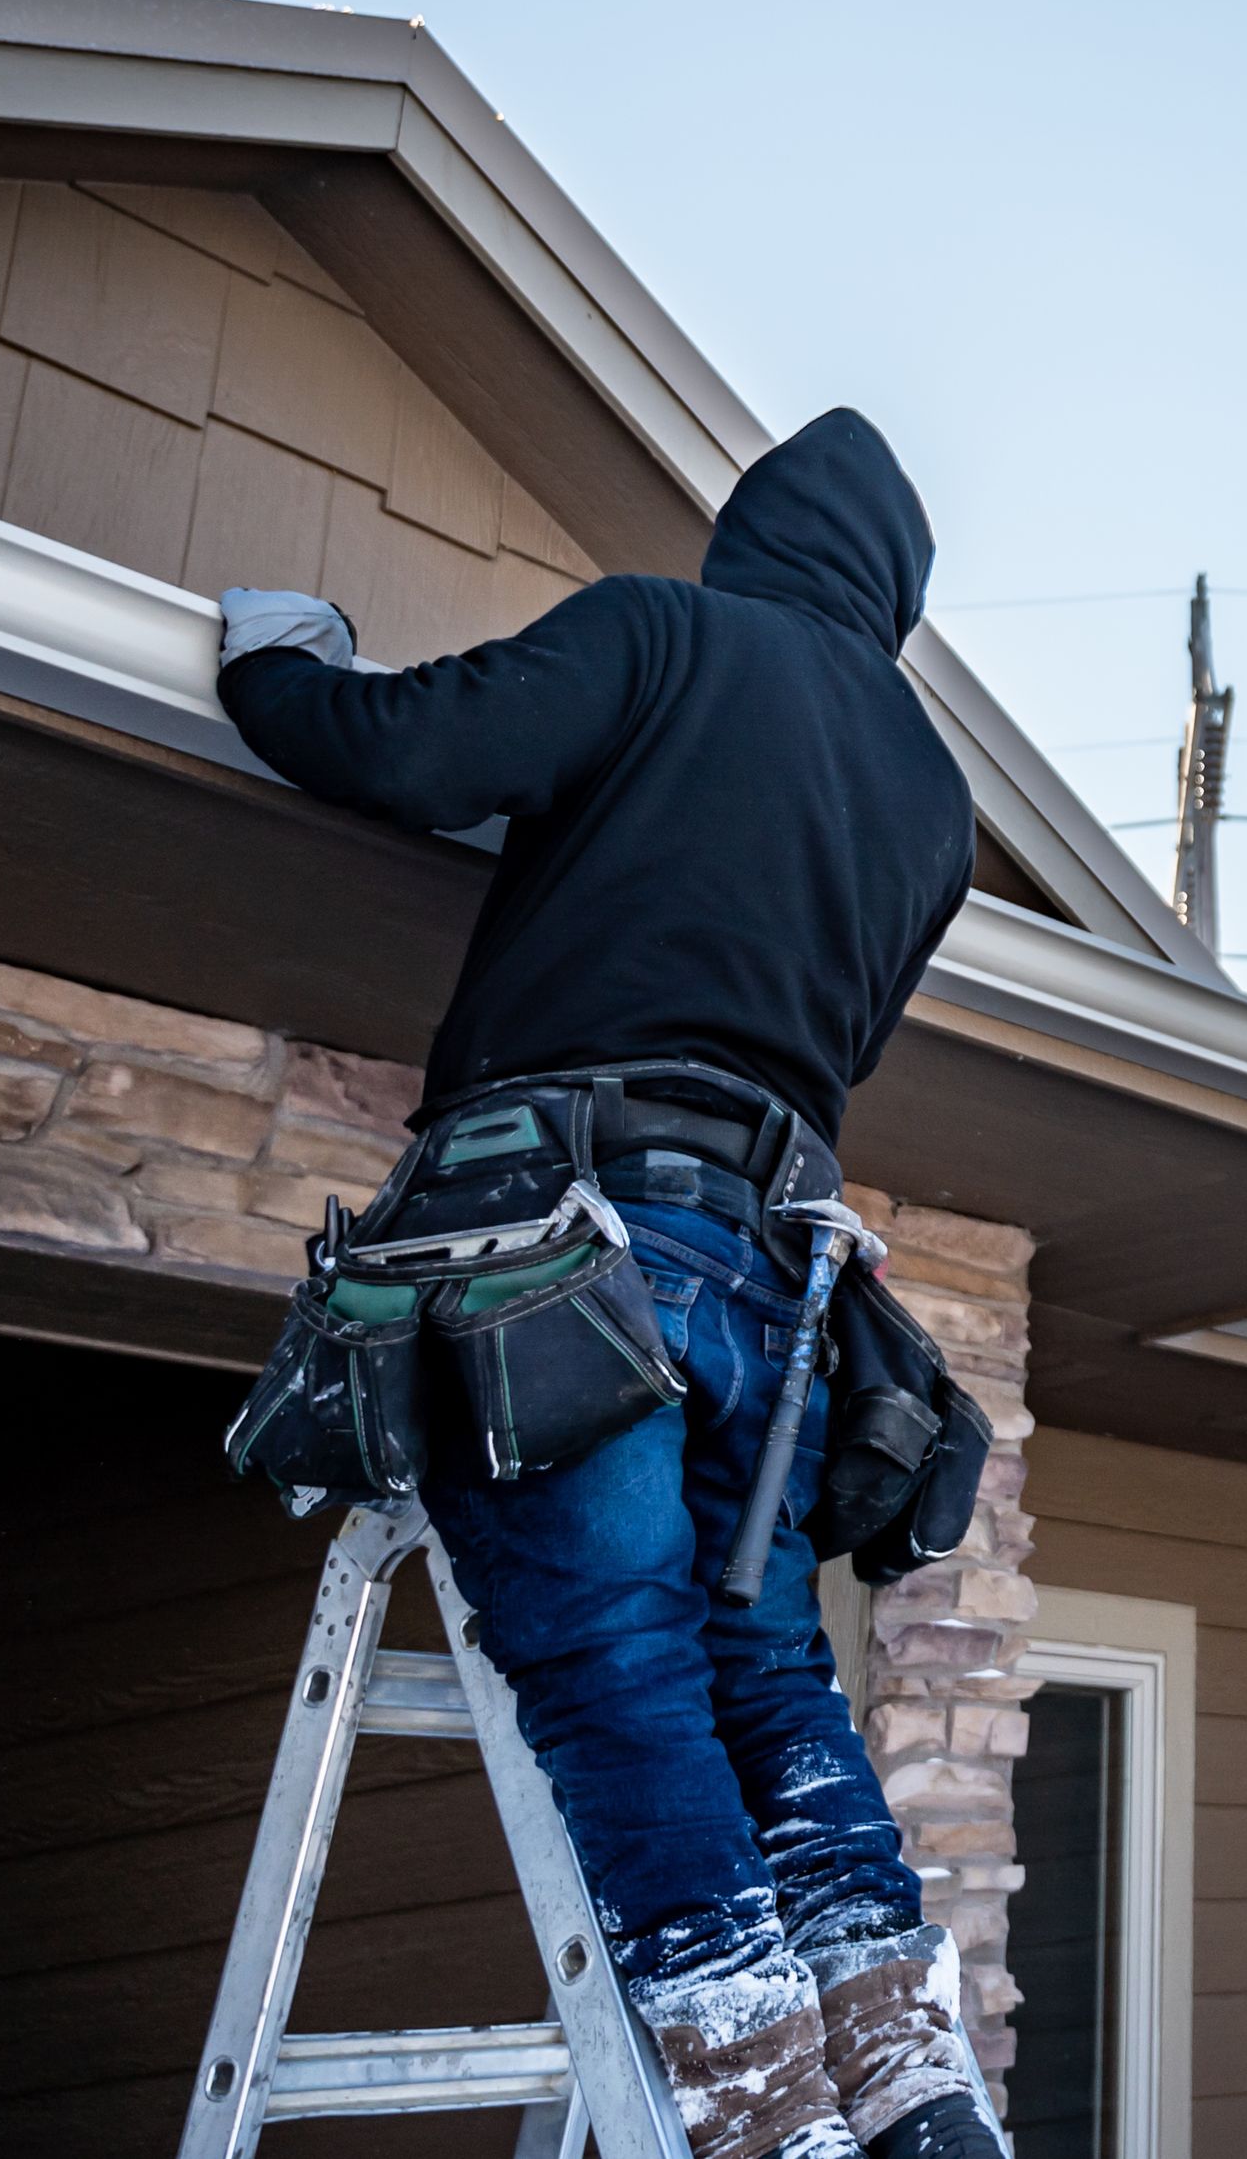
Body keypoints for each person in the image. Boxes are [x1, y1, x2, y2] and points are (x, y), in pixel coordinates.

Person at [217, 409, 984, 2159]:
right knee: (763, 1667)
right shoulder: (931, 798)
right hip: (774, 1276)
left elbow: (408, 752)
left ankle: (763, 2118)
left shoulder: (665, 630)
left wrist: (287, 656)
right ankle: (916, 2098)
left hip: (569, 1235)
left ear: (757, 534)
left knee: (613, 1659)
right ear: (894, 593)